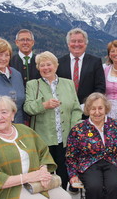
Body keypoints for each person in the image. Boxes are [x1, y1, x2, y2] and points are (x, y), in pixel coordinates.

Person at [24, 51, 82, 191]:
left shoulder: (68, 83)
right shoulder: (32, 85)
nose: (46, 68)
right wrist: (44, 105)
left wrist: (73, 130)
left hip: (65, 137)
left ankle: (62, 195)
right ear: (38, 68)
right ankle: (49, 198)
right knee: (46, 173)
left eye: (48, 64)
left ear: (56, 66)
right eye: (42, 65)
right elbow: (28, 108)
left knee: (64, 170)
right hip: (43, 138)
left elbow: (76, 109)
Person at [56, 28, 105, 111]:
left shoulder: (95, 62)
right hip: (64, 110)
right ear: (68, 44)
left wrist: (87, 105)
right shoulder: (59, 62)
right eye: (73, 41)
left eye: (80, 41)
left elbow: (100, 88)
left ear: (86, 44)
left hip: (88, 111)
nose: (76, 44)